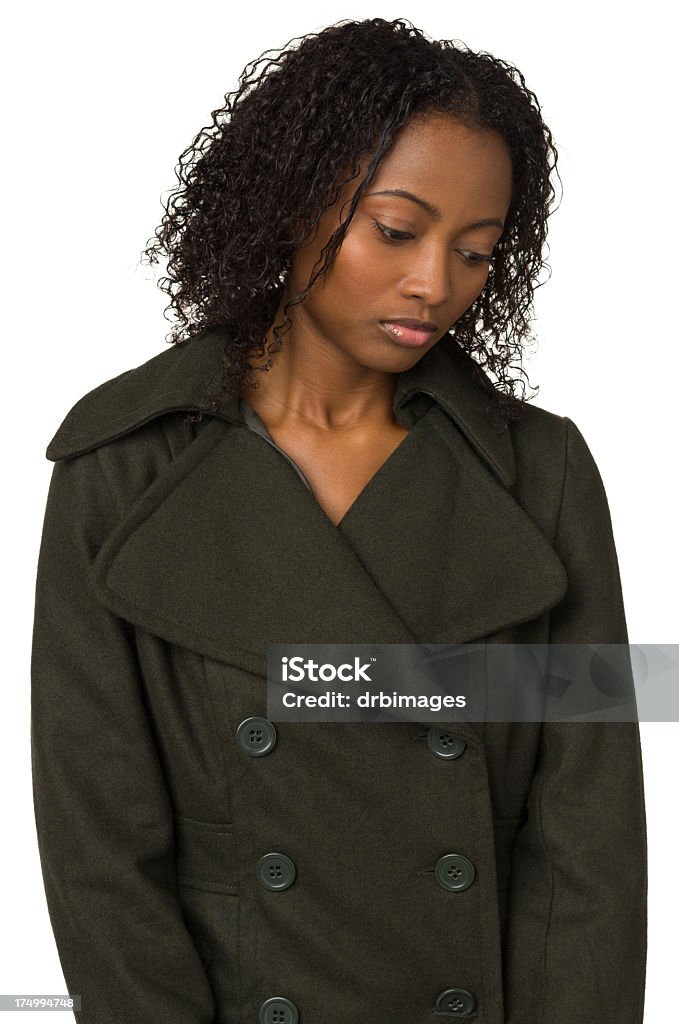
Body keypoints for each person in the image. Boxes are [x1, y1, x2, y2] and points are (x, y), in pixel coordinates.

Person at [30, 16, 647, 1024]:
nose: (433, 284)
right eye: (396, 230)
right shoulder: (123, 465)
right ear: (292, 202)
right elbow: (101, 850)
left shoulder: (543, 474)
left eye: (476, 252)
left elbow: (588, 845)